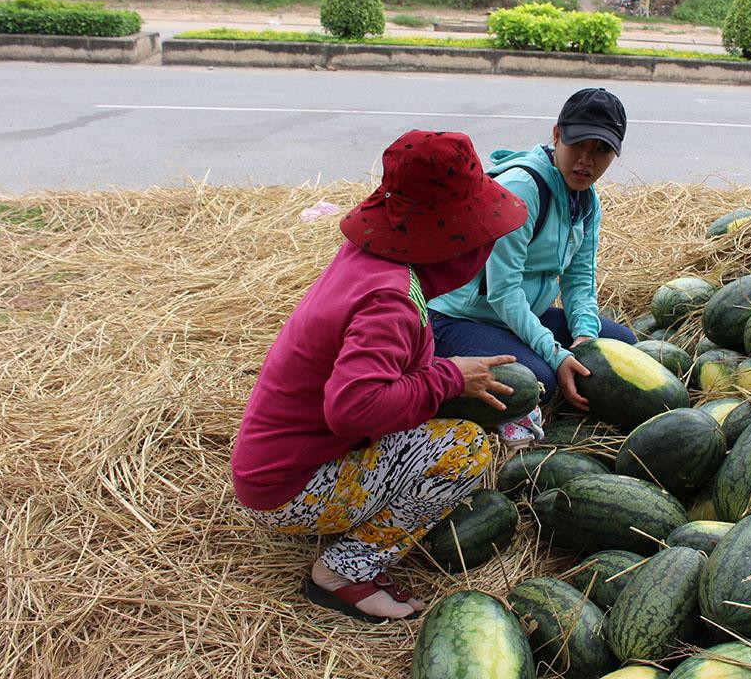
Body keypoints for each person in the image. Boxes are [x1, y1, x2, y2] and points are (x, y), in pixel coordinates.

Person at [230, 130, 528, 623]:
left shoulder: (373, 261)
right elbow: (352, 408)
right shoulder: (390, 300)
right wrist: (448, 378)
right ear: (450, 242)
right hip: (288, 486)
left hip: (275, 464)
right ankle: (344, 572)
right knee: (465, 449)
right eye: (482, 237)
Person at [428, 88, 637, 443]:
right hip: (457, 318)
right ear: (556, 135)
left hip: (521, 316)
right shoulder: (521, 190)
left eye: (600, 150)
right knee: (540, 378)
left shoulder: (586, 200)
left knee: (619, 343)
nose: (586, 161)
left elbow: (579, 279)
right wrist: (556, 354)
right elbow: (503, 292)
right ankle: (440, 390)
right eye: (577, 145)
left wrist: (584, 335)